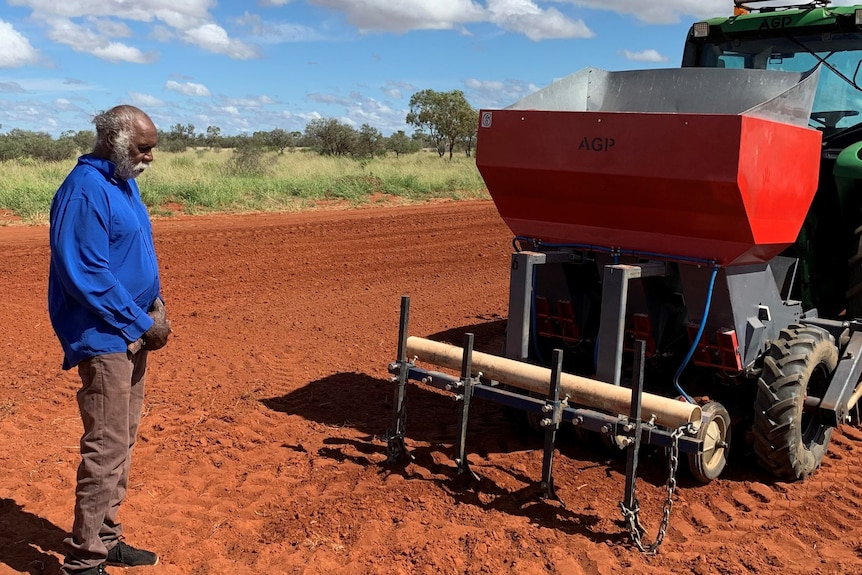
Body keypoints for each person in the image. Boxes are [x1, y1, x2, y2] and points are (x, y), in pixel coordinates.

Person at [48, 105, 171, 575]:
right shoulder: (84, 191)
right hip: (105, 337)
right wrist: (141, 322)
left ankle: (105, 537)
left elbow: (132, 253)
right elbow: (86, 274)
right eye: (143, 148)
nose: (149, 158)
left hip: (133, 331)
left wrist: (155, 304)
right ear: (113, 140)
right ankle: (83, 563)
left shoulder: (123, 183)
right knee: (105, 446)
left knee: (123, 441)